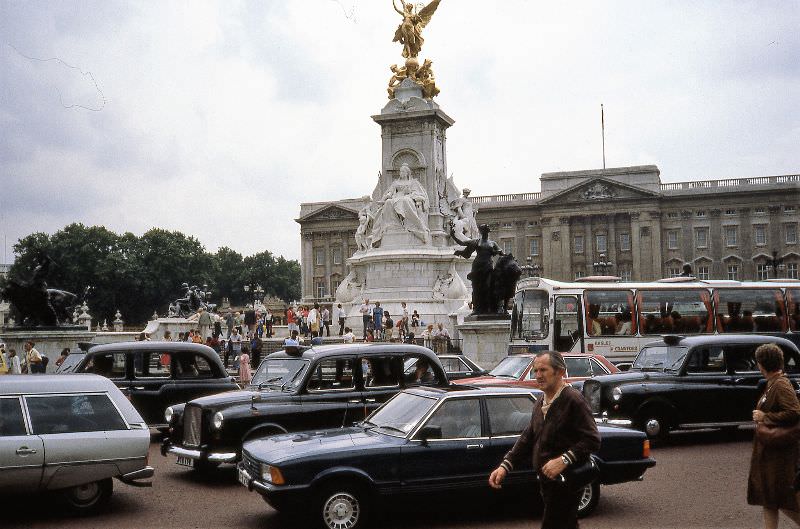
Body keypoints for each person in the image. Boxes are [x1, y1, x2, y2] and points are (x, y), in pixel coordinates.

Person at [488, 351, 601, 529]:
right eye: (535, 370)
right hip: (548, 483)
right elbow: (529, 436)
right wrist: (505, 465)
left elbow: (592, 439)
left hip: (566, 482)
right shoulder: (540, 400)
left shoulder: (573, 400)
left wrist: (563, 460)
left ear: (560, 372)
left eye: (543, 370)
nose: (538, 375)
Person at [748, 343, 800, 529]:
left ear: (762, 364)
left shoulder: (781, 385)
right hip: (771, 454)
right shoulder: (773, 383)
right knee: (770, 500)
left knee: (784, 500)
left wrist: (766, 417)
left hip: (780, 457)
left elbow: (794, 412)